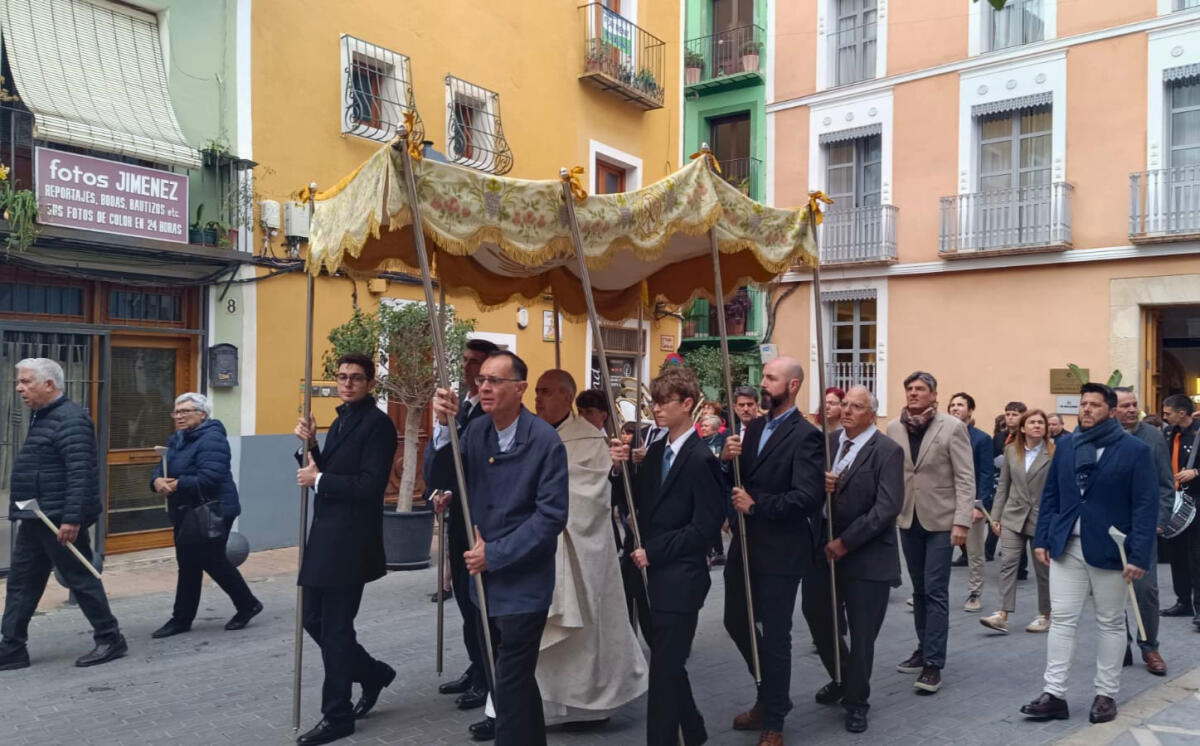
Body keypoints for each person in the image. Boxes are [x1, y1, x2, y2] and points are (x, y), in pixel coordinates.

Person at [429, 350, 569, 746]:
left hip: (524, 587)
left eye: (495, 381)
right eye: (481, 381)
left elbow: (551, 517)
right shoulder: (475, 431)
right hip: (482, 586)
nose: (484, 387)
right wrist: (444, 426)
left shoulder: (544, 441)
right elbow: (443, 477)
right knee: (507, 682)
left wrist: (497, 554)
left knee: (508, 682)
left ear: (520, 388)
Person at [1020, 383, 1156, 724]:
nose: (1086, 410)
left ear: (1110, 411)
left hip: (1112, 548)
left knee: (1109, 622)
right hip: (1067, 546)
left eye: (1094, 405)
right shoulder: (1065, 446)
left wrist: (1139, 555)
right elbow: (1052, 494)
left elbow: (1145, 505)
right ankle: (1054, 694)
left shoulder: (1134, 450)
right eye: (1083, 404)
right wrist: (1043, 538)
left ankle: (1106, 694)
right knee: (1062, 620)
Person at [610, 366, 724, 746]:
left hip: (680, 579)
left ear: (687, 404)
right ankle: (693, 728)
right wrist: (620, 467)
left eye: (663, 402)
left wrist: (654, 550)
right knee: (668, 661)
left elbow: (704, 529)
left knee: (662, 671)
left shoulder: (701, 458)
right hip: (647, 576)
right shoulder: (657, 449)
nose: (655, 409)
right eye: (653, 402)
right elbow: (636, 503)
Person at [531, 370, 647, 726]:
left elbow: (595, 496)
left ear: (568, 397)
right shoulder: (529, 433)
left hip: (582, 549)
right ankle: (542, 706)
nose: (537, 399)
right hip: (538, 550)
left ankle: (590, 707)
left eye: (546, 392)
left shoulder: (592, 440)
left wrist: (546, 500)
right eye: (536, 391)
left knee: (586, 633)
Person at [293, 352, 398, 745]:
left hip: (351, 543)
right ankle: (372, 673)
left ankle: (337, 715)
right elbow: (329, 471)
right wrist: (312, 445)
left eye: (356, 377)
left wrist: (318, 479)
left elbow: (369, 486)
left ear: (370, 383)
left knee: (336, 629)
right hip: (325, 538)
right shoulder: (340, 421)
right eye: (341, 377)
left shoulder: (379, 426)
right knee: (313, 621)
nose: (347, 383)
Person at [719, 357, 824, 746]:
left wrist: (758, 506)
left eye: (771, 378)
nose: (763, 383)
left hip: (782, 550)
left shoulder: (806, 435)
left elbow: (808, 497)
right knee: (735, 620)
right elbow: (736, 483)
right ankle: (769, 692)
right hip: (746, 545)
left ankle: (774, 719)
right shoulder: (754, 427)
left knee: (777, 634)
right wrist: (726, 462)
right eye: (763, 377)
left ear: (792, 385)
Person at [0, 358, 125, 671]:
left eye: (26, 382)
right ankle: (12, 647)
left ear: (49, 385)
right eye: (20, 382)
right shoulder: (42, 417)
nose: (19, 388)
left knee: (80, 579)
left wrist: (72, 520)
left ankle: (110, 637)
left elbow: (81, 473)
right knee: (21, 582)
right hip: (37, 516)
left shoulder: (72, 419)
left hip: (58, 519)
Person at [802, 385, 904, 734]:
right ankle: (842, 676)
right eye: (844, 404)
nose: (847, 411)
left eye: (856, 407)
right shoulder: (829, 444)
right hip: (823, 552)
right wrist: (821, 488)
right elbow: (808, 490)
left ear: (871, 414)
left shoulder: (887, 451)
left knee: (862, 634)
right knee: (817, 616)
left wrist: (846, 541)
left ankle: (857, 701)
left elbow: (887, 507)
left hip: (867, 557)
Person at [885, 371, 974, 694]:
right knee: (919, 590)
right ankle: (923, 648)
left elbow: (966, 477)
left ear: (934, 395)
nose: (913, 393)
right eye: (909, 388)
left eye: (920, 389)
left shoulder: (952, 427)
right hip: (908, 518)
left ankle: (934, 664)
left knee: (935, 590)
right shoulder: (894, 427)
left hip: (942, 520)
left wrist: (962, 521)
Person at [150, 392, 262, 639]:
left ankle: (244, 605)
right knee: (191, 564)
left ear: (202, 414)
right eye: (176, 412)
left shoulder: (212, 439)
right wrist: (157, 480)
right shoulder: (179, 438)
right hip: (187, 510)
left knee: (211, 561)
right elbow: (163, 466)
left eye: (185, 412)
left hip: (213, 509)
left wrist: (178, 484)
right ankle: (184, 618)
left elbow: (210, 477)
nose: (179, 417)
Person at [428, 337, 498, 707]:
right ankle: (476, 666)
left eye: (476, 363)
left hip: (482, 528)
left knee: (479, 606)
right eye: (467, 362)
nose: (468, 369)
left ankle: (488, 680)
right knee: (463, 603)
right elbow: (446, 467)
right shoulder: (464, 408)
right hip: (459, 521)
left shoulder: (490, 415)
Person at [1114, 388, 1173, 675]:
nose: (1131, 409)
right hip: (1108, 528)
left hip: (1143, 527)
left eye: (1134, 405)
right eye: (1125, 405)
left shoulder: (1153, 437)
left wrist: (1159, 521)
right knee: (1111, 590)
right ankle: (1119, 645)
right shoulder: (1101, 437)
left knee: (1145, 590)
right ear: (1112, 409)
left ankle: (1149, 647)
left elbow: (1166, 484)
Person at [979, 410, 1054, 635]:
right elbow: (1003, 486)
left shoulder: (1055, 452)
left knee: (1043, 569)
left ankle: (1045, 614)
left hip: (1041, 518)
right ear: (1022, 428)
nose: (1037, 426)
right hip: (1013, 515)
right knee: (1008, 563)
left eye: (1041, 423)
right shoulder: (1012, 451)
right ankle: (1002, 614)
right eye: (1032, 422)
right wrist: (997, 517)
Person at [946, 392, 995, 612]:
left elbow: (985, 473)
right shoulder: (941, 434)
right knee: (938, 549)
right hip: (944, 501)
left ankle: (974, 593)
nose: (955, 408)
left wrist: (979, 505)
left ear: (970, 410)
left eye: (960, 405)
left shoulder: (981, 439)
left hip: (971, 502)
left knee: (974, 551)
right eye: (952, 405)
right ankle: (929, 591)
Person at [1162, 394, 1200, 626]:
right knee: (1176, 554)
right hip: (1174, 501)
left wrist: (1196, 472)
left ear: (1182, 413)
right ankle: (1183, 601)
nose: (1164, 416)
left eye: (1168, 413)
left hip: (1196, 500)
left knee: (1197, 556)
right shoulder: (1168, 433)